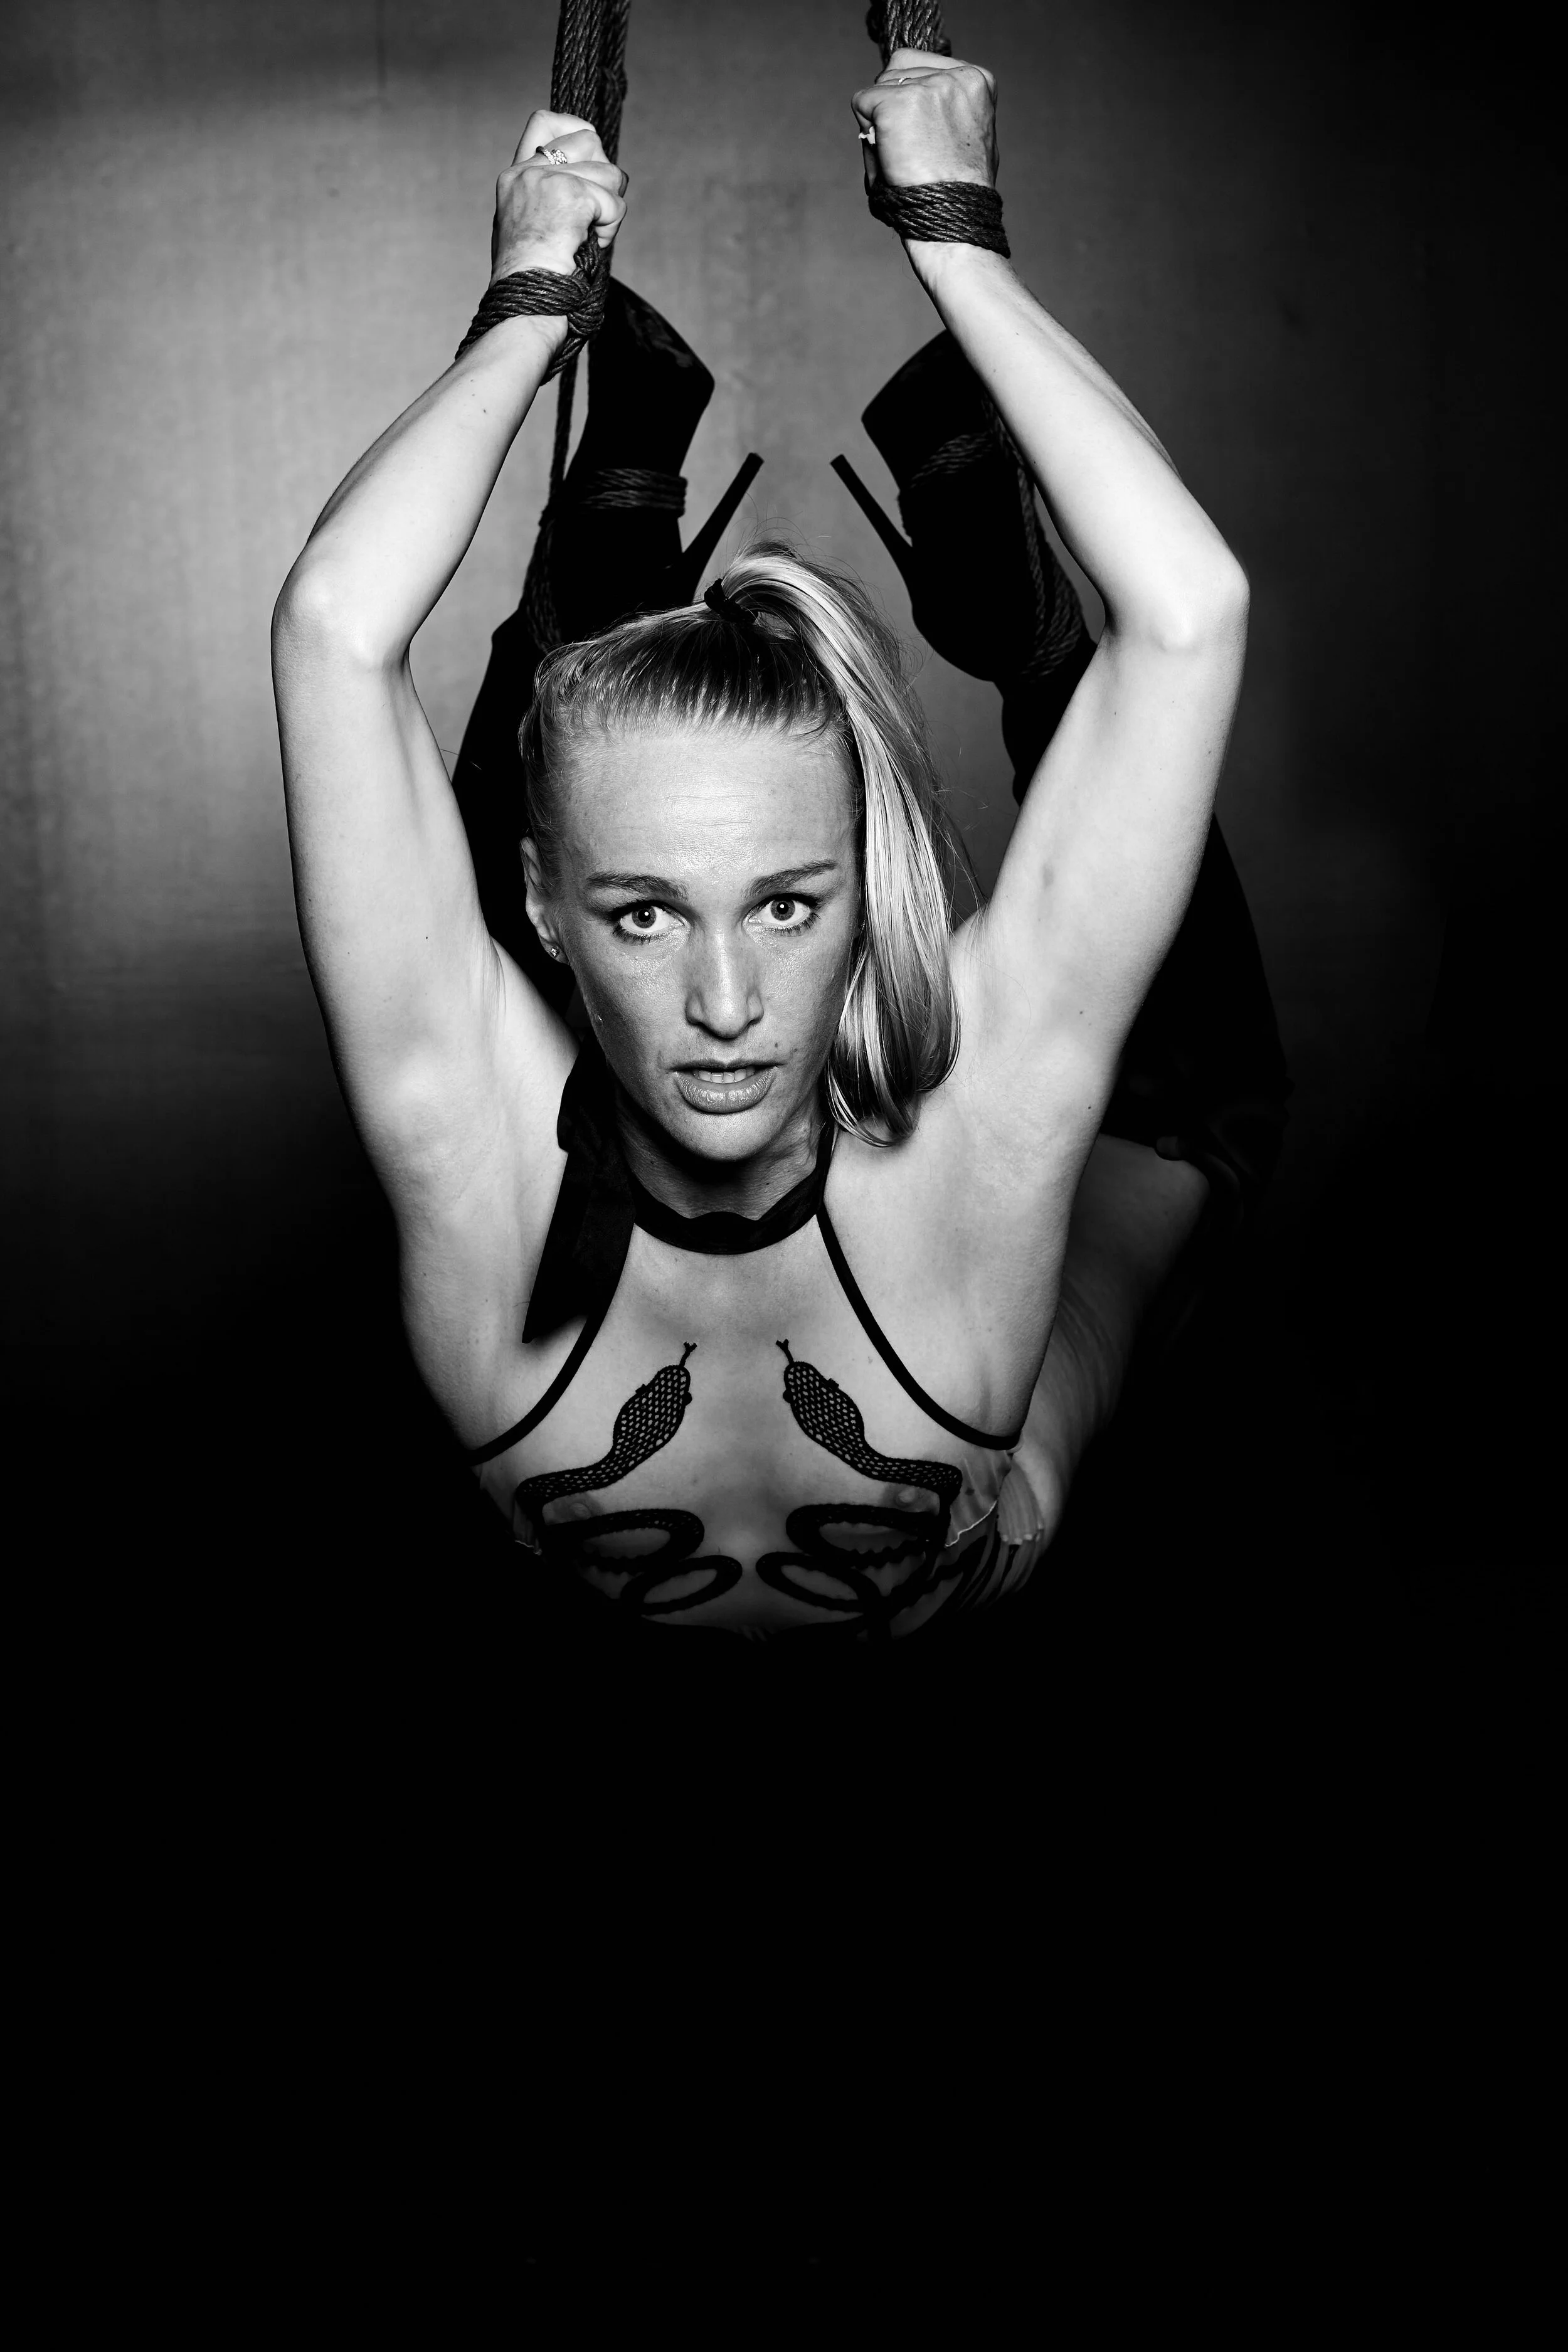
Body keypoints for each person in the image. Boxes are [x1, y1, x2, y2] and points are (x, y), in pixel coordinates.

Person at [272, 50, 1268, 1645]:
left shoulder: (973, 1146)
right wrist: (525, 306)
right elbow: (333, 631)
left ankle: (937, 632)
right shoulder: (478, 1165)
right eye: (645, 920)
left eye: (791, 907)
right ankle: (613, 605)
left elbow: (1191, 613)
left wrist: (953, 233)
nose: (728, 1005)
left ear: (865, 890)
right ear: (549, 909)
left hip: (1017, 1312)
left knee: (1196, 1127)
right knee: (592, 814)